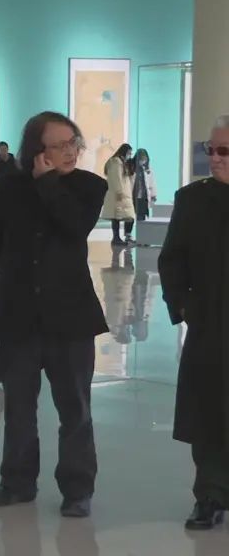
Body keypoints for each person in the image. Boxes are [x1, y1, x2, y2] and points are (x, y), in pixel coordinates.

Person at [0, 111, 109, 519]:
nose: (69, 152)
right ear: (37, 150)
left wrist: (49, 183)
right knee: (19, 407)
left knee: (75, 408)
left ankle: (77, 488)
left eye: (73, 143)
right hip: (18, 313)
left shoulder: (90, 186)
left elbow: (75, 226)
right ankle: (17, 482)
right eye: (59, 145)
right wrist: (17, 275)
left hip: (70, 316)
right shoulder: (7, 187)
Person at [158, 116, 229, 530]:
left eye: (224, 151)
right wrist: (184, 306)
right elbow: (172, 259)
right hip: (211, 325)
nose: (214, 158)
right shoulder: (192, 200)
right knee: (209, 413)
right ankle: (210, 495)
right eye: (210, 149)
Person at [103, 143, 137, 246]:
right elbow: (116, 177)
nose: (129, 155)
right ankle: (116, 238)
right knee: (116, 217)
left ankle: (122, 237)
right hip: (118, 194)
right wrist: (119, 191)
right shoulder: (116, 162)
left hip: (124, 194)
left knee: (127, 216)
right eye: (129, 153)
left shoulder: (122, 162)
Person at [131, 148, 158, 221]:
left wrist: (153, 196)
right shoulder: (132, 169)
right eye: (141, 159)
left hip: (143, 197)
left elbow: (152, 184)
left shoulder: (148, 170)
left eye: (144, 159)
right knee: (131, 217)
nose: (143, 161)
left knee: (142, 217)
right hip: (134, 196)